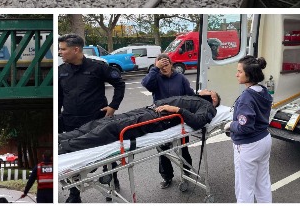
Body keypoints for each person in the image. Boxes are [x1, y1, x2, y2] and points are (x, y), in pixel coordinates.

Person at [58, 33, 125, 202]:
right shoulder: (61, 71)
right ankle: (75, 194)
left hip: (96, 120)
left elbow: (119, 83)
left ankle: (111, 178)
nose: (60, 52)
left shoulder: (97, 67)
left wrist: (113, 106)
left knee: (105, 154)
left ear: (76, 50)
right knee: (72, 158)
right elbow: (59, 97)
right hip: (71, 122)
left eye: (62, 49)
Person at [58, 90, 220, 153]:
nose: (203, 89)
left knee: (111, 128)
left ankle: (65, 147)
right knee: (101, 122)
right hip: (148, 110)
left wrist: (176, 110)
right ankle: (62, 139)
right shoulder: (194, 98)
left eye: (208, 90)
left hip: (159, 119)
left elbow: (198, 122)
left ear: (213, 97)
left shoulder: (208, 106)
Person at [142, 54, 195, 189]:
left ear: (171, 64)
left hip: (178, 118)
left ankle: (187, 173)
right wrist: (155, 69)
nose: (164, 67)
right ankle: (167, 177)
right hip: (161, 119)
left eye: (166, 64)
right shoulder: (156, 77)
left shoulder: (180, 78)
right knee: (163, 151)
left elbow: (190, 95)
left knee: (183, 148)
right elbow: (147, 84)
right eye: (161, 65)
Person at [230, 56, 272, 203]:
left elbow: (244, 127)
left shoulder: (246, 97)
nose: (236, 74)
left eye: (239, 72)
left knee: (244, 189)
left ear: (249, 74)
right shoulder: (263, 91)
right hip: (264, 140)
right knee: (263, 184)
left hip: (249, 145)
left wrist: (230, 125)